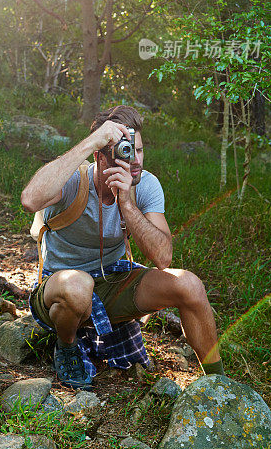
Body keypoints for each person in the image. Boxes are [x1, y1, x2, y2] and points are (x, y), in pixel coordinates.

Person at [21, 105, 224, 390]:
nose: (136, 160)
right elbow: (30, 199)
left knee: (189, 285)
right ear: (100, 157)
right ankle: (66, 347)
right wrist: (91, 141)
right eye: (125, 152)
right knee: (78, 286)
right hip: (61, 288)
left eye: (139, 150)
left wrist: (127, 203)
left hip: (113, 280)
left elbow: (163, 257)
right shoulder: (74, 181)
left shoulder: (145, 185)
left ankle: (218, 382)